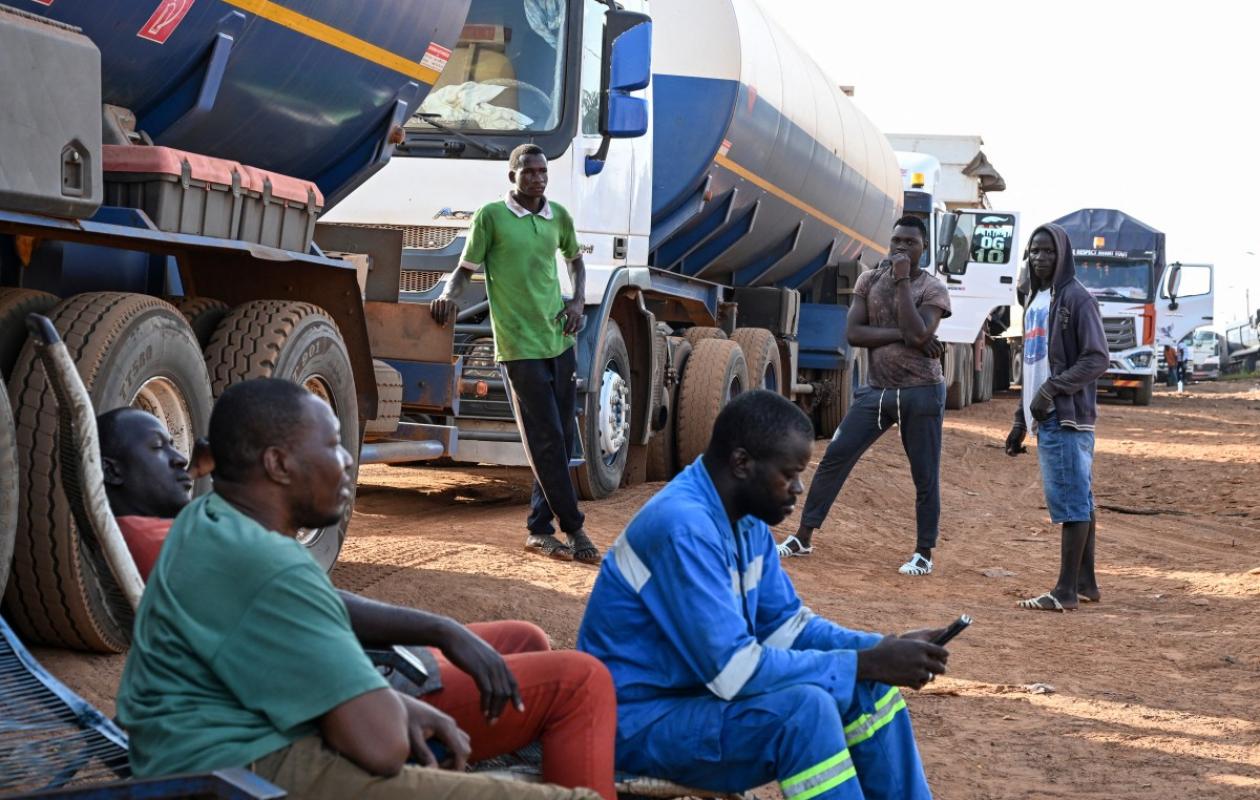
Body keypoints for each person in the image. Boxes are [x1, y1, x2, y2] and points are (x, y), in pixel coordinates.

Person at [114, 381, 610, 799]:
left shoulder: (207, 521)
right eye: (331, 445)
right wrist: (390, 704)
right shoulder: (271, 564)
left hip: (200, 757)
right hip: (246, 776)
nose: (348, 461)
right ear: (279, 465)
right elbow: (382, 747)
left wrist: (394, 695)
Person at [579, 390, 948, 799]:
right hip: (636, 724)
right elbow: (732, 672)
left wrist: (883, 650)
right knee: (805, 713)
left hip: (692, 704)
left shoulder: (745, 516)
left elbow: (786, 626)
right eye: (789, 474)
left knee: (871, 688)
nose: (799, 488)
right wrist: (863, 662)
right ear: (742, 463)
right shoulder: (682, 527)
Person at [430, 143, 597, 564]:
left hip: (558, 340)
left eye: (543, 172)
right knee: (543, 438)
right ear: (513, 177)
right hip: (518, 346)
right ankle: (574, 529)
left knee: (558, 439)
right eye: (529, 172)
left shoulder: (557, 215)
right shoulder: (492, 217)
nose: (538, 178)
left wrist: (577, 302)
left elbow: (575, 261)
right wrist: (447, 297)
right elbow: (464, 271)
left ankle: (540, 529)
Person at [778, 216, 951, 576]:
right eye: (896, 241)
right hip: (876, 390)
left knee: (924, 475)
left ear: (924, 249)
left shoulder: (933, 289)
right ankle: (803, 537)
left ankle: (923, 553)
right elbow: (855, 334)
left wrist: (903, 281)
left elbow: (919, 332)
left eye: (910, 243)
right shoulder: (868, 280)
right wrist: (906, 335)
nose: (901, 248)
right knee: (834, 458)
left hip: (921, 393)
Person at [1005, 224, 1109, 613]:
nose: (1041, 258)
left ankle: (1064, 591)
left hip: (1066, 418)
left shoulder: (1076, 299)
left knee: (1070, 502)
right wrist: (1020, 420)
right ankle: (1085, 583)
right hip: (1044, 417)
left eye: (1048, 251)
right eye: (1034, 251)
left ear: (1063, 255)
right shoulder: (1035, 299)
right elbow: (1032, 367)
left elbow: (1097, 358)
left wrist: (1051, 391)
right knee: (1079, 497)